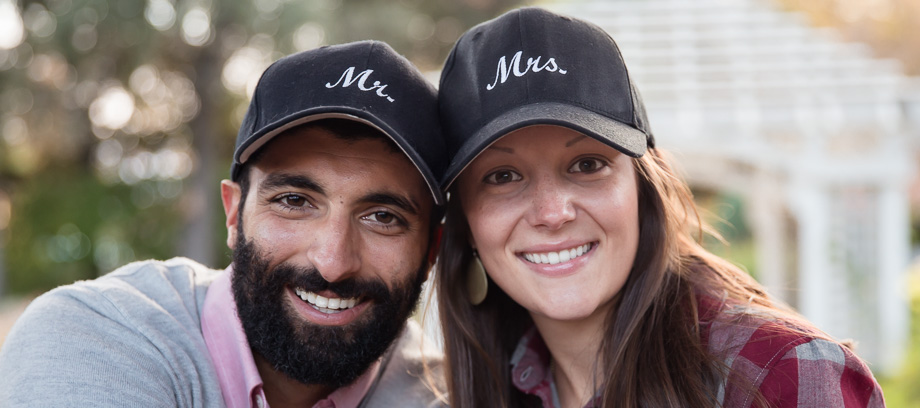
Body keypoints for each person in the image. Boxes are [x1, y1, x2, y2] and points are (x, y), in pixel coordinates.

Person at [434, 7, 885, 408]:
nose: (553, 213)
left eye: (587, 164)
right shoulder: (477, 385)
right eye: (502, 177)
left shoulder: (785, 378)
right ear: (466, 223)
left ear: (644, 184)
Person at [0, 40, 448, 408]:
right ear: (234, 213)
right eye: (294, 201)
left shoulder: (442, 392)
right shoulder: (92, 341)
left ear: (431, 250)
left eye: (383, 217)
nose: (332, 263)